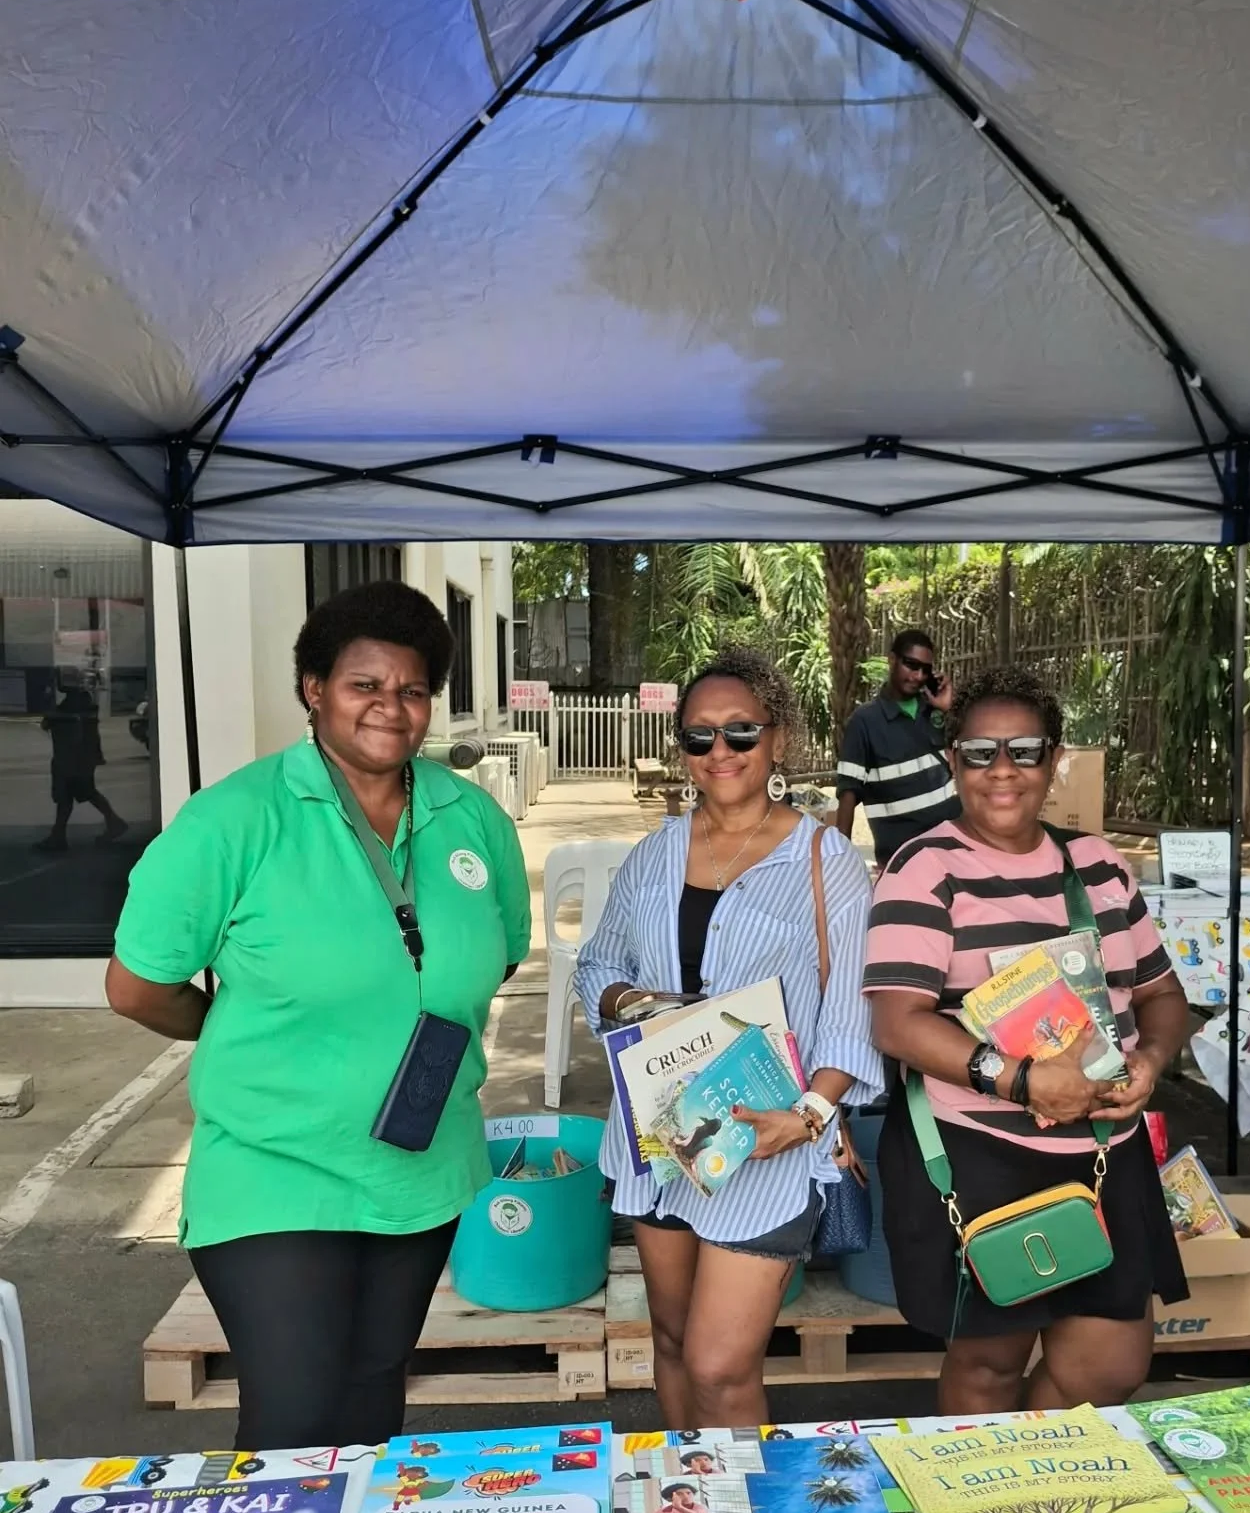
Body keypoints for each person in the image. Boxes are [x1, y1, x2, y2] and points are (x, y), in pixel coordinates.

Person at [105, 579, 530, 1449]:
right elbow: (138, 985)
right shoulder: (236, 820)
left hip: (420, 1162)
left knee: (374, 1392)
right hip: (278, 1165)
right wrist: (227, 1027)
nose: (391, 708)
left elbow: (503, 950)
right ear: (314, 689)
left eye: (412, 690)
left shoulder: (472, 817)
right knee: (296, 1411)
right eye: (363, 685)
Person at [864, 663, 1189, 1415]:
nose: (1001, 771)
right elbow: (898, 1023)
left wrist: (1151, 1058)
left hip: (1107, 1148)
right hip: (980, 1150)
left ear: (1055, 760)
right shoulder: (925, 870)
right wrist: (1020, 1080)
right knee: (987, 1365)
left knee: (1111, 1364)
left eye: (1023, 750)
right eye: (979, 753)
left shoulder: (1100, 865)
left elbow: (1162, 996)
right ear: (954, 763)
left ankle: (1040, 1471)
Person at [577, 646, 883, 1428]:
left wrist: (810, 1115)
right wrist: (630, 999)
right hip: (660, 1135)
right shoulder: (655, 855)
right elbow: (600, 962)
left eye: (740, 733)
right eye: (699, 736)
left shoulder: (827, 863)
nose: (720, 753)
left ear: (776, 739)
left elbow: (853, 1015)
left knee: (721, 1364)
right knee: (673, 1342)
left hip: (768, 1143)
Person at [835, 628, 959, 867]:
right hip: (903, 862)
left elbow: (973, 752)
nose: (918, 676)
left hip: (953, 850)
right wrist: (839, 862)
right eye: (911, 665)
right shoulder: (865, 722)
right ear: (892, 660)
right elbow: (848, 794)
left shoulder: (936, 711)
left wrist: (948, 709)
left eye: (926, 669)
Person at [35, 681, 127, 851]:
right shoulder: (82, 703)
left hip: (71, 758)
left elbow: (49, 723)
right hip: (78, 758)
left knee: (70, 795)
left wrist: (48, 708)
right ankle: (60, 835)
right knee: (80, 793)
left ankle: (59, 837)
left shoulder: (72, 706)